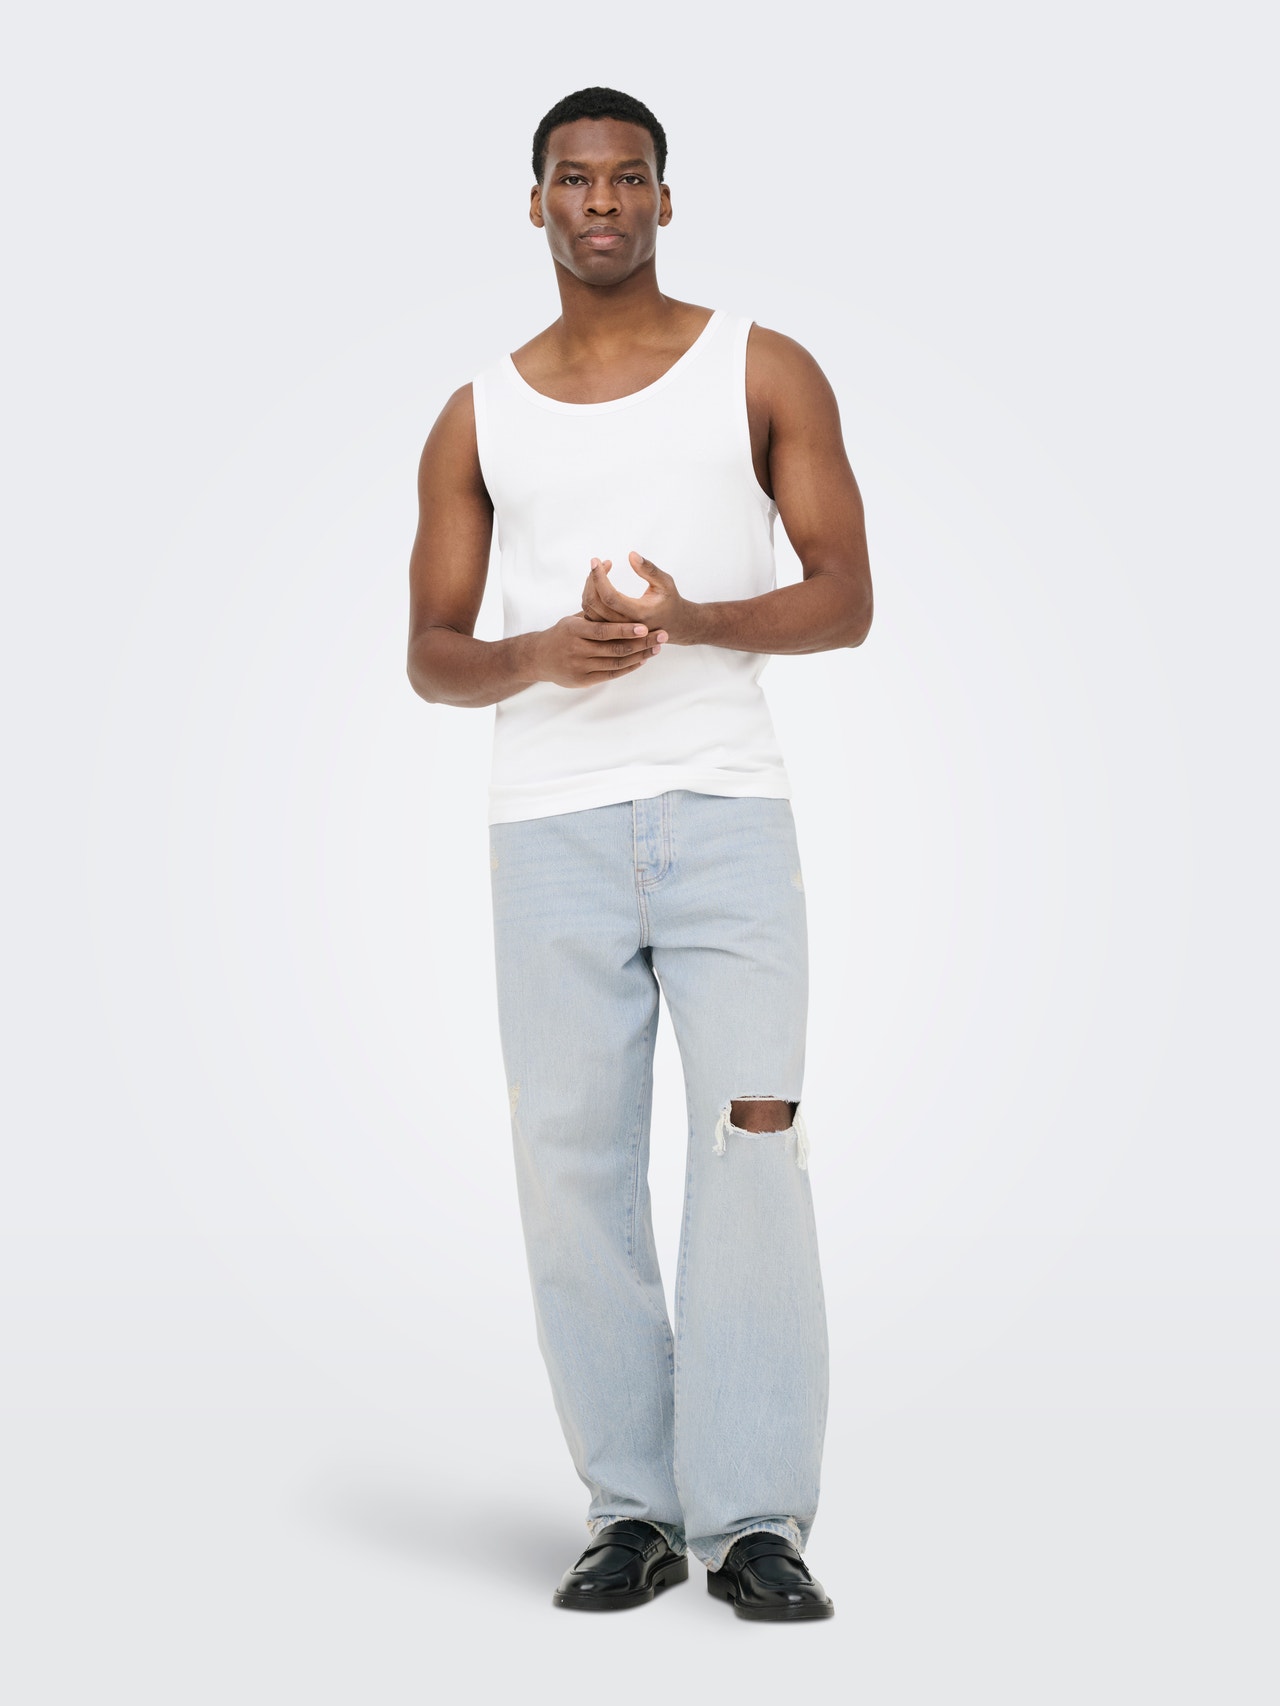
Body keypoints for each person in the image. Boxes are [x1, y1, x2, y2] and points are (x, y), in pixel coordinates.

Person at [406, 86, 873, 1622]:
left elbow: (847, 596)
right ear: (536, 203)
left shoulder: (762, 367)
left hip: (726, 806)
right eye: (572, 178)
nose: (600, 200)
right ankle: (632, 1508)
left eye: (627, 177)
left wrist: (697, 618)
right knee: (571, 1165)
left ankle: (754, 1517)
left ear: (666, 200)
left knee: (753, 1142)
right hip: (549, 824)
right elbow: (431, 650)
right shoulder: (480, 412)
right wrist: (540, 651)